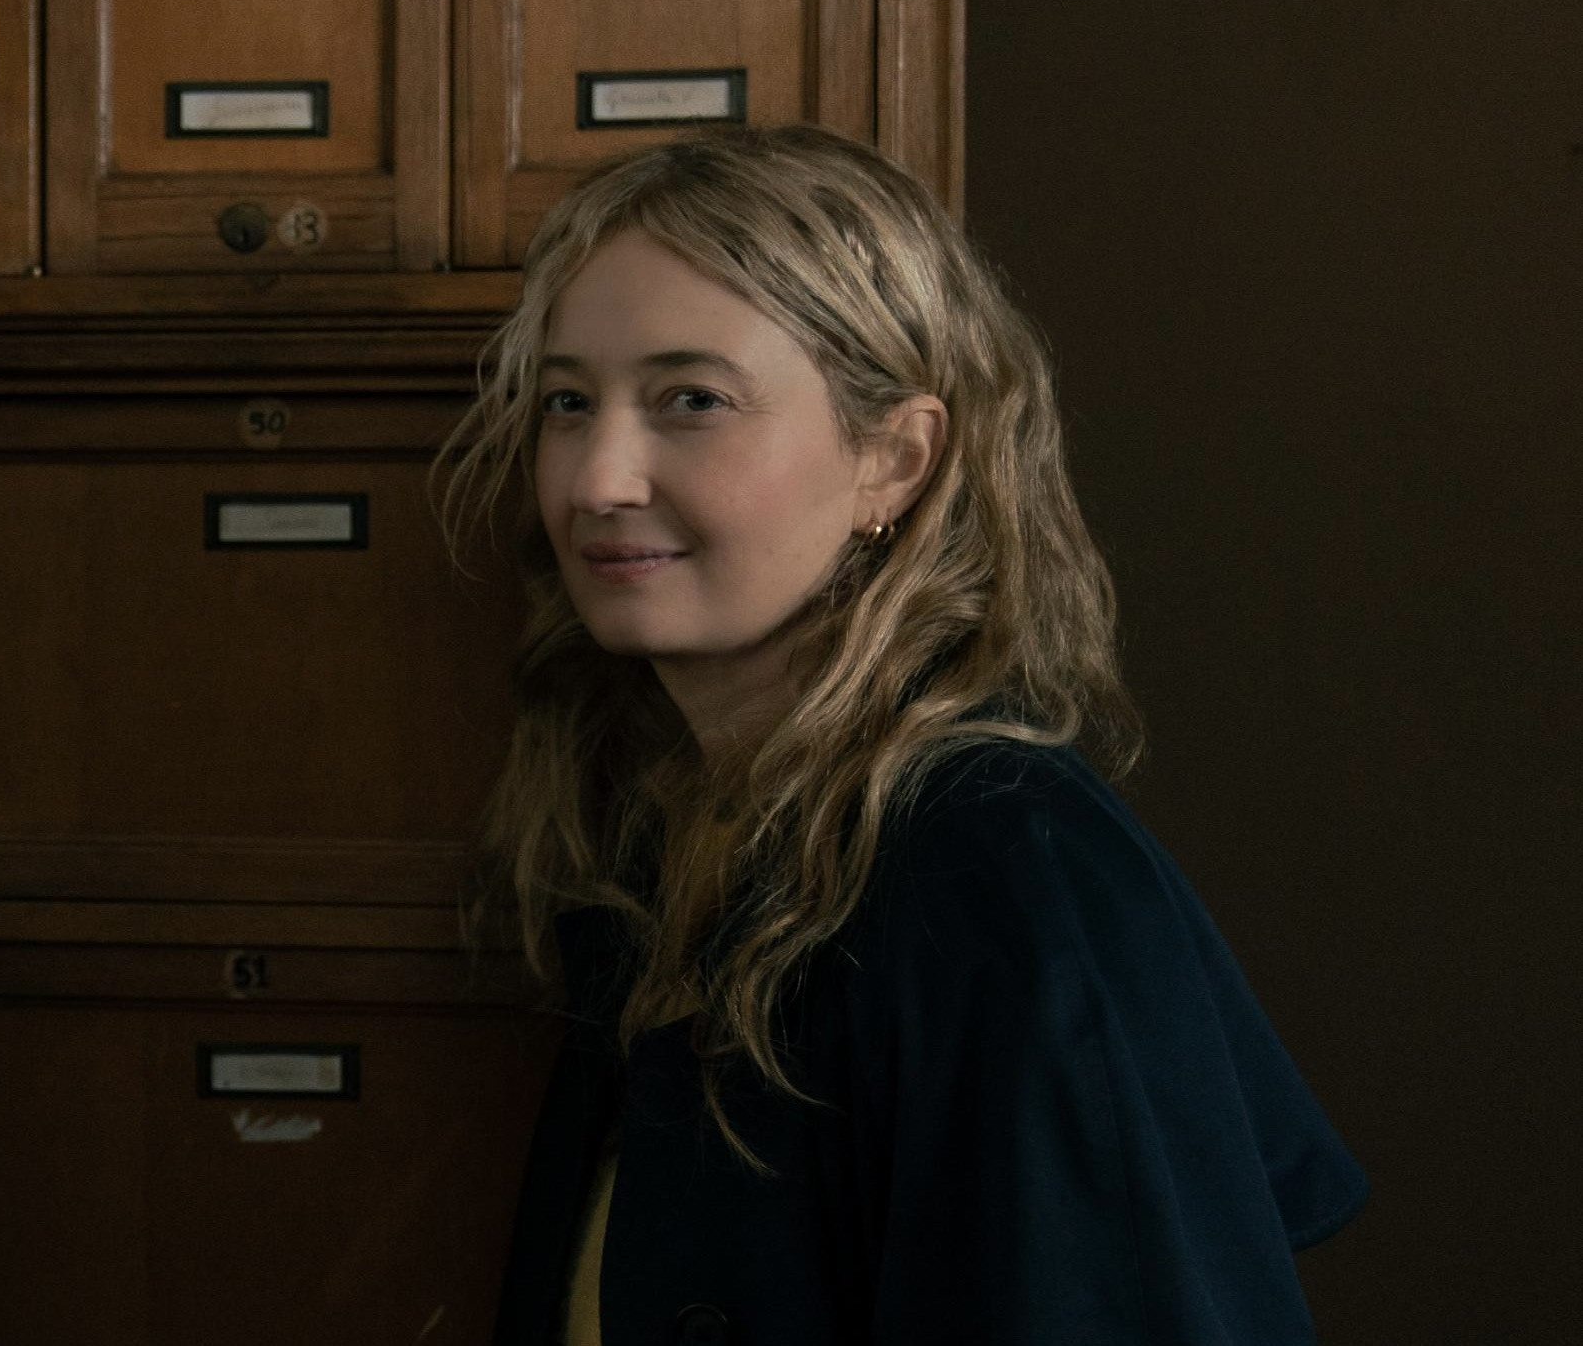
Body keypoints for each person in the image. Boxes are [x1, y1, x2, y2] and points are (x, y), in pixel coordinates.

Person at [441, 126, 1365, 1344]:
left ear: (893, 459)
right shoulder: (677, 832)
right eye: (569, 403)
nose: (595, 480)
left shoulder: (1002, 877)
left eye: (692, 401)